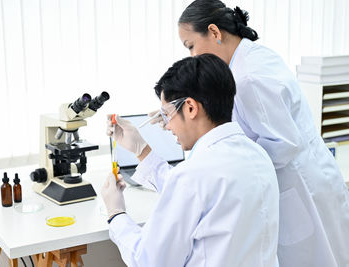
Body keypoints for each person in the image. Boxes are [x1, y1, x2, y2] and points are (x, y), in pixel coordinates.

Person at [172, 1, 349, 267]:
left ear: (214, 32)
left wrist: (232, 169)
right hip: (313, 177)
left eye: (191, 46)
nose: (192, 57)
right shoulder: (251, 56)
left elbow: (283, 145)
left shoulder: (248, 78)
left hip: (298, 189)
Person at [101, 54, 280, 267]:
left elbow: (148, 261)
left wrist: (116, 214)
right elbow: (201, 196)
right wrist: (141, 150)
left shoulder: (192, 175)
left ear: (191, 108)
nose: (167, 125)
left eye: (167, 114)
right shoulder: (257, 155)